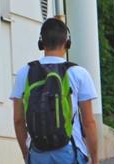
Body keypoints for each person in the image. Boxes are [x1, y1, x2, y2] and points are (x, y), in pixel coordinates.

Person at [11, 18, 99, 163]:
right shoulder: (78, 73)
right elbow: (89, 122)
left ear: (41, 43)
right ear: (67, 42)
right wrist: (95, 159)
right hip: (70, 150)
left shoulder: (24, 73)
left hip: (38, 152)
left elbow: (18, 120)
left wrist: (26, 154)